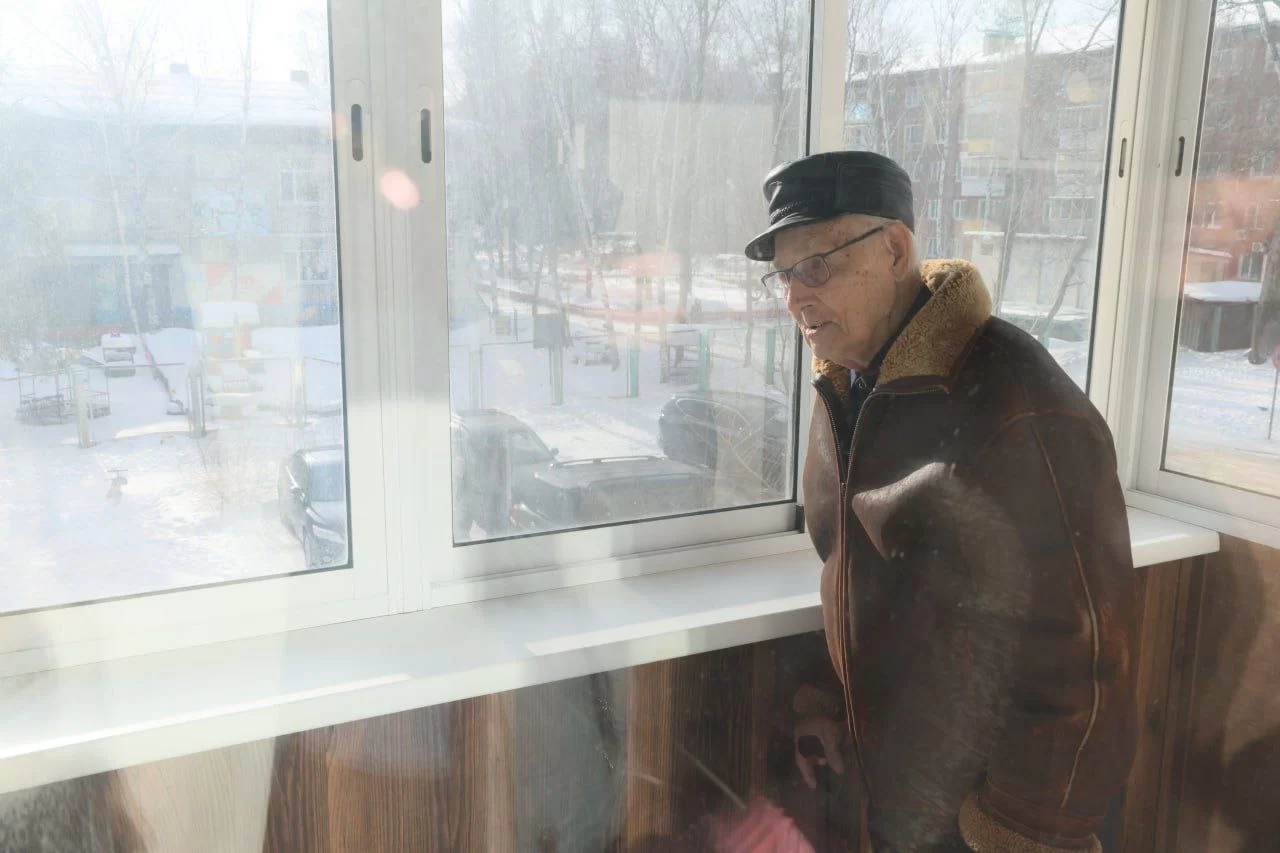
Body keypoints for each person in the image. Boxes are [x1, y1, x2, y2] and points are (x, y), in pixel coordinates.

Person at [745, 151, 1138, 852]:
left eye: (817, 267)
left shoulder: (1017, 402)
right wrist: (827, 702)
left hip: (989, 819)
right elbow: (855, 568)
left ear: (895, 250)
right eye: (784, 275)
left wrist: (1020, 830)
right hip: (894, 788)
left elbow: (1085, 658)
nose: (795, 299)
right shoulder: (849, 386)